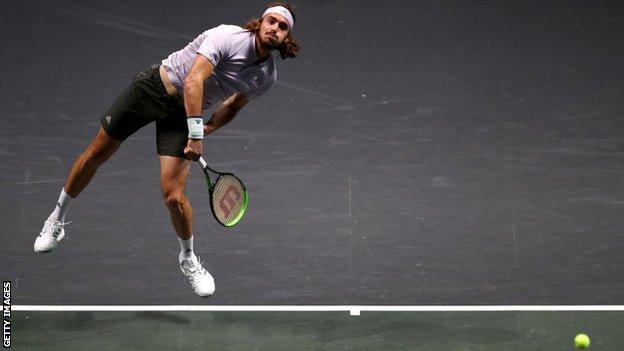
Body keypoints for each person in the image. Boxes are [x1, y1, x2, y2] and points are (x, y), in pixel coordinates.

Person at [33, 2, 300, 297]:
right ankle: (56, 220)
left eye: (282, 26)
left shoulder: (266, 76)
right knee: (96, 154)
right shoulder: (227, 37)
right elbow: (193, 81)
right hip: (153, 89)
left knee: (173, 196)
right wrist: (197, 134)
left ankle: (188, 258)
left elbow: (235, 102)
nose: (274, 28)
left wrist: (210, 127)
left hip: (184, 116)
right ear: (259, 23)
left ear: (286, 37)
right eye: (271, 21)